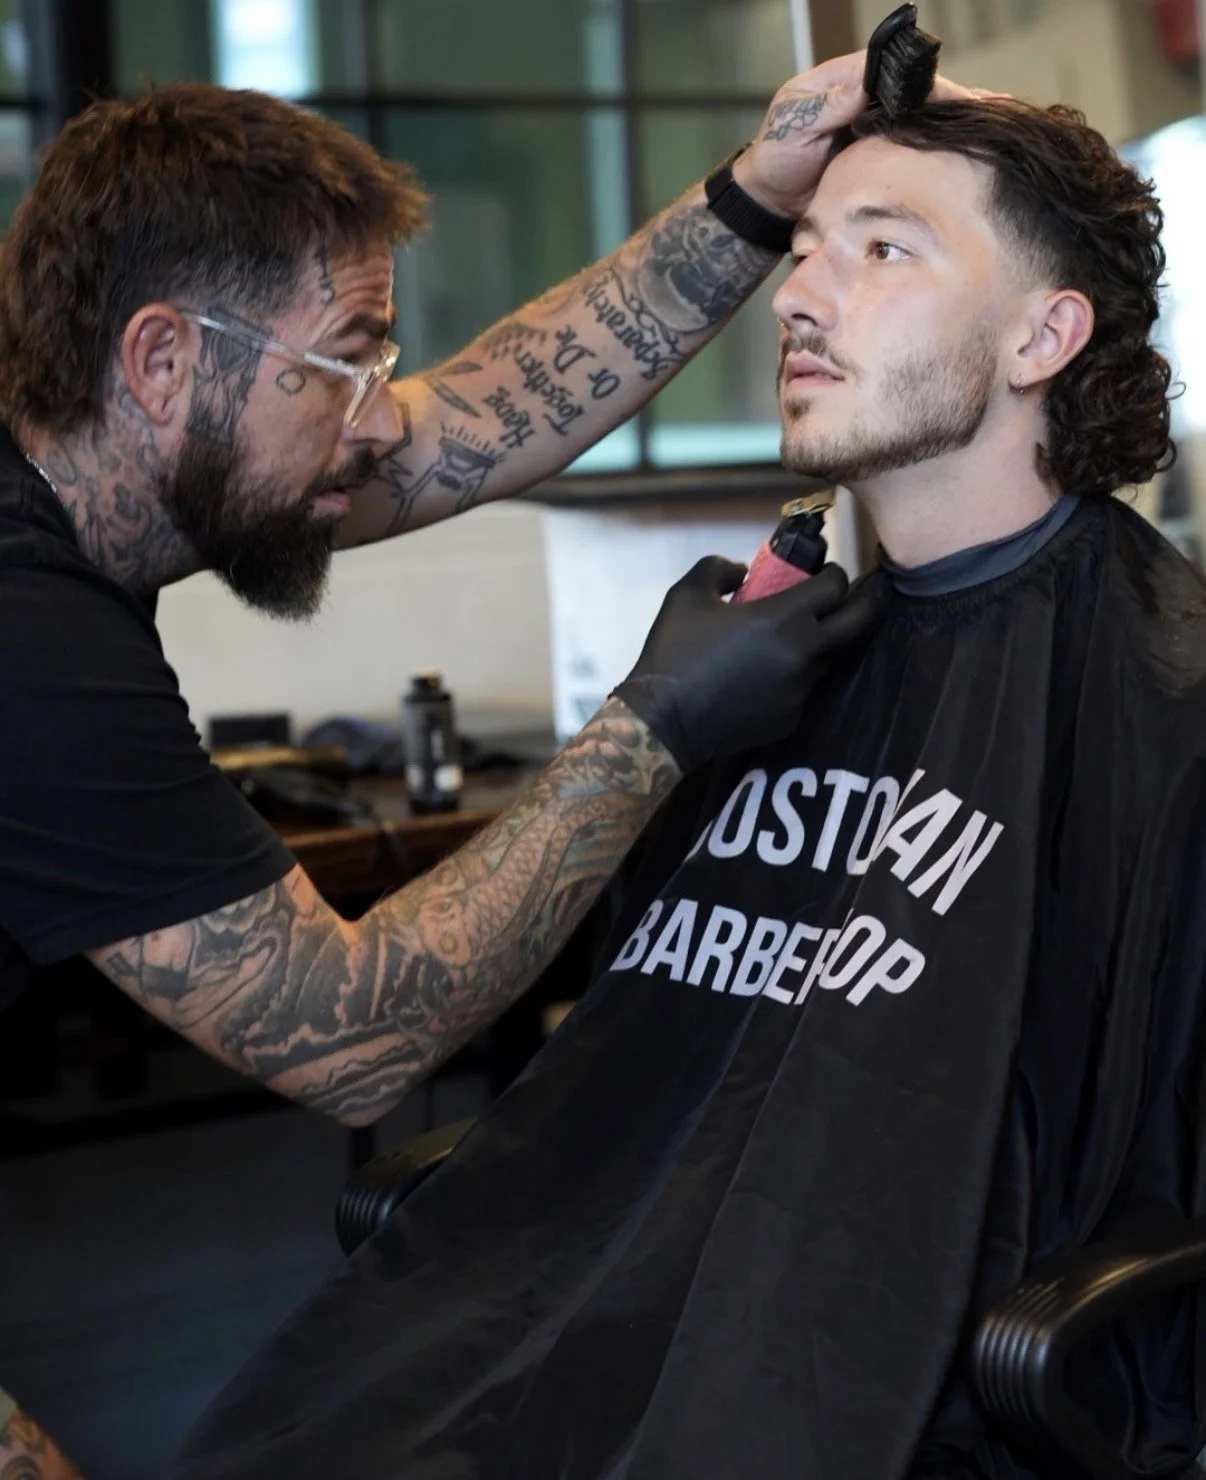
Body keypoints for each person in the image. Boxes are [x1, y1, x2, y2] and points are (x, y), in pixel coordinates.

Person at [166, 93, 1206, 1480]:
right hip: (613, 1309)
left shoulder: (1165, 706)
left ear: (1042, 335)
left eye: (884, 249)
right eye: (807, 247)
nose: (801, 295)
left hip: (873, 1383)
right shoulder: (763, 666)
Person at [0, 49, 934, 1479]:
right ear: (162, 361)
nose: (382, 416)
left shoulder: (91, 464)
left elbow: (477, 418)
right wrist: (655, 723)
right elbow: (345, 1035)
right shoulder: (31, 641)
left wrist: (756, 196)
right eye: (344, 366)